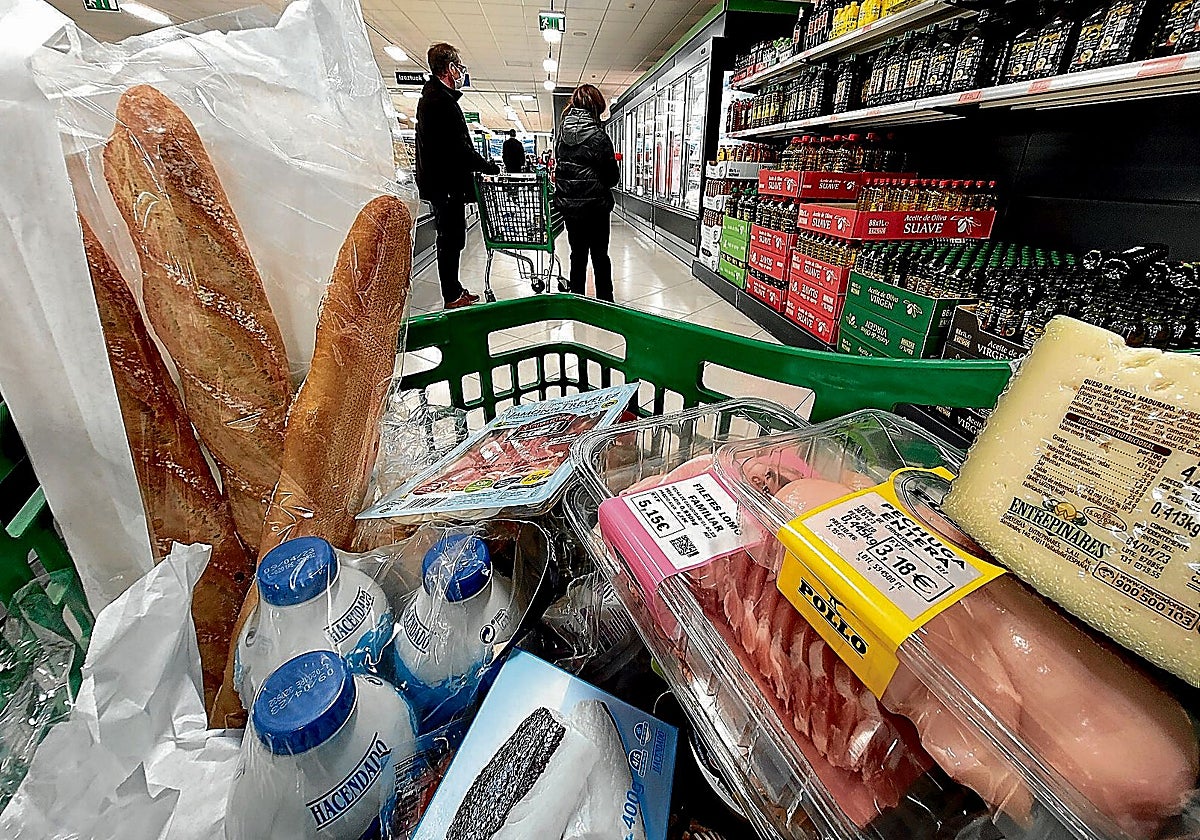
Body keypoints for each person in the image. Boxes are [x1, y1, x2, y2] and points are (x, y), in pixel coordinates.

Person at [415, 42, 500, 309]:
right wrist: (489, 166)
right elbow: (458, 149)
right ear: (450, 69)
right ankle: (452, 296)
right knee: (451, 240)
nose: (462, 72)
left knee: (453, 238)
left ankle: (454, 289)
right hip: (445, 185)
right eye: (459, 67)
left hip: (442, 183)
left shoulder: (434, 99)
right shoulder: (440, 102)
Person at [554, 85, 619, 303]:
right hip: (596, 207)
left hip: (570, 207)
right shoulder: (598, 136)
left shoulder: (561, 135)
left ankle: (577, 301)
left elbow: (561, 169)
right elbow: (612, 178)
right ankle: (605, 303)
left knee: (577, 254)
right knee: (600, 256)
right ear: (596, 107)